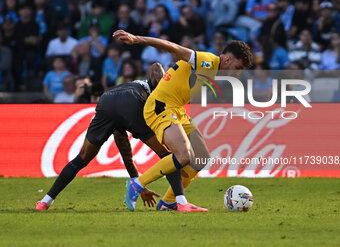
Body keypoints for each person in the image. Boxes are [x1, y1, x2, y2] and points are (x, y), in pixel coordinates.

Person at [113, 29, 252, 212]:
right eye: (238, 68)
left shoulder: (215, 70)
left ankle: (169, 202)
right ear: (228, 60)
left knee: (201, 157)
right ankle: (137, 184)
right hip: (160, 107)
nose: (238, 74)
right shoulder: (207, 61)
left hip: (177, 109)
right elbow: (173, 47)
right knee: (184, 156)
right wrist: (137, 39)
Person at [36, 63, 203, 211]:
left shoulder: (141, 88)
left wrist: (138, 184)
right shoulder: (156, 90)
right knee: (168, 155)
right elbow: (156, 66)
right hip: (133, 101)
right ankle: (179, 202)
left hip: (107, 101)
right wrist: (163, 85)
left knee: (82, 158)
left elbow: (126, 153)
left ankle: (45, 201)